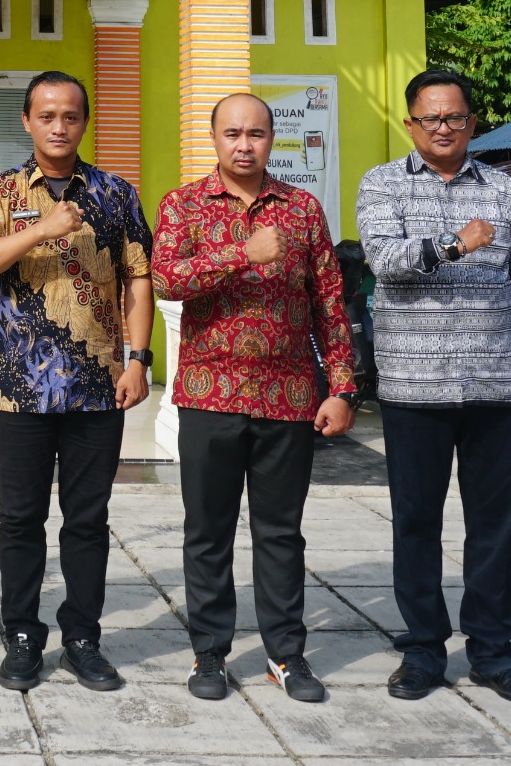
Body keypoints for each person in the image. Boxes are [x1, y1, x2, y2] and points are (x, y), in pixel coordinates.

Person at [355, 68, 511, 707]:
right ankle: (421, 650)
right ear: (410, 124)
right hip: (413, 385)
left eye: (455, 118)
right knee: (416, 520)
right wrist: (452, 245)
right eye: (430, 119)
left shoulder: (503, 190)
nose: (443, 128)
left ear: (472, 123)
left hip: (493, 381)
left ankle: (494, 652)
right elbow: (383, 261)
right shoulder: (381, 183)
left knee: (493, 523)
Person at [151, 93, 357, 705]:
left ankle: (286, 654)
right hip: (210, 395)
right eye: (233, 133)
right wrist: (243, 253)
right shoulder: (183, 205)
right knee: (207, 531)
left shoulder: (302, 210)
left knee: (280, 533)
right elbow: (165, 277)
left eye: (257, 134)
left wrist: (342, 387)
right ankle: (209, 653)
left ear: (272, 139)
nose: (245, 145)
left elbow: (330, 305)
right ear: (213, 138)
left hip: (289, 396)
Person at [0, 71, 154, 695]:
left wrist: (140, 359)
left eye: (70, 115)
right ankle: (21, 636)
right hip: (18, 387)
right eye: (47, 115)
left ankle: (82, 639)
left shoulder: (116, 194)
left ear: (84, 121)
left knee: (87, 518)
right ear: (27, 122)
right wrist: (38, 231)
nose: (59, 126)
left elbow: (139, 278)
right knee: (19, 517)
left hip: (98, 384)